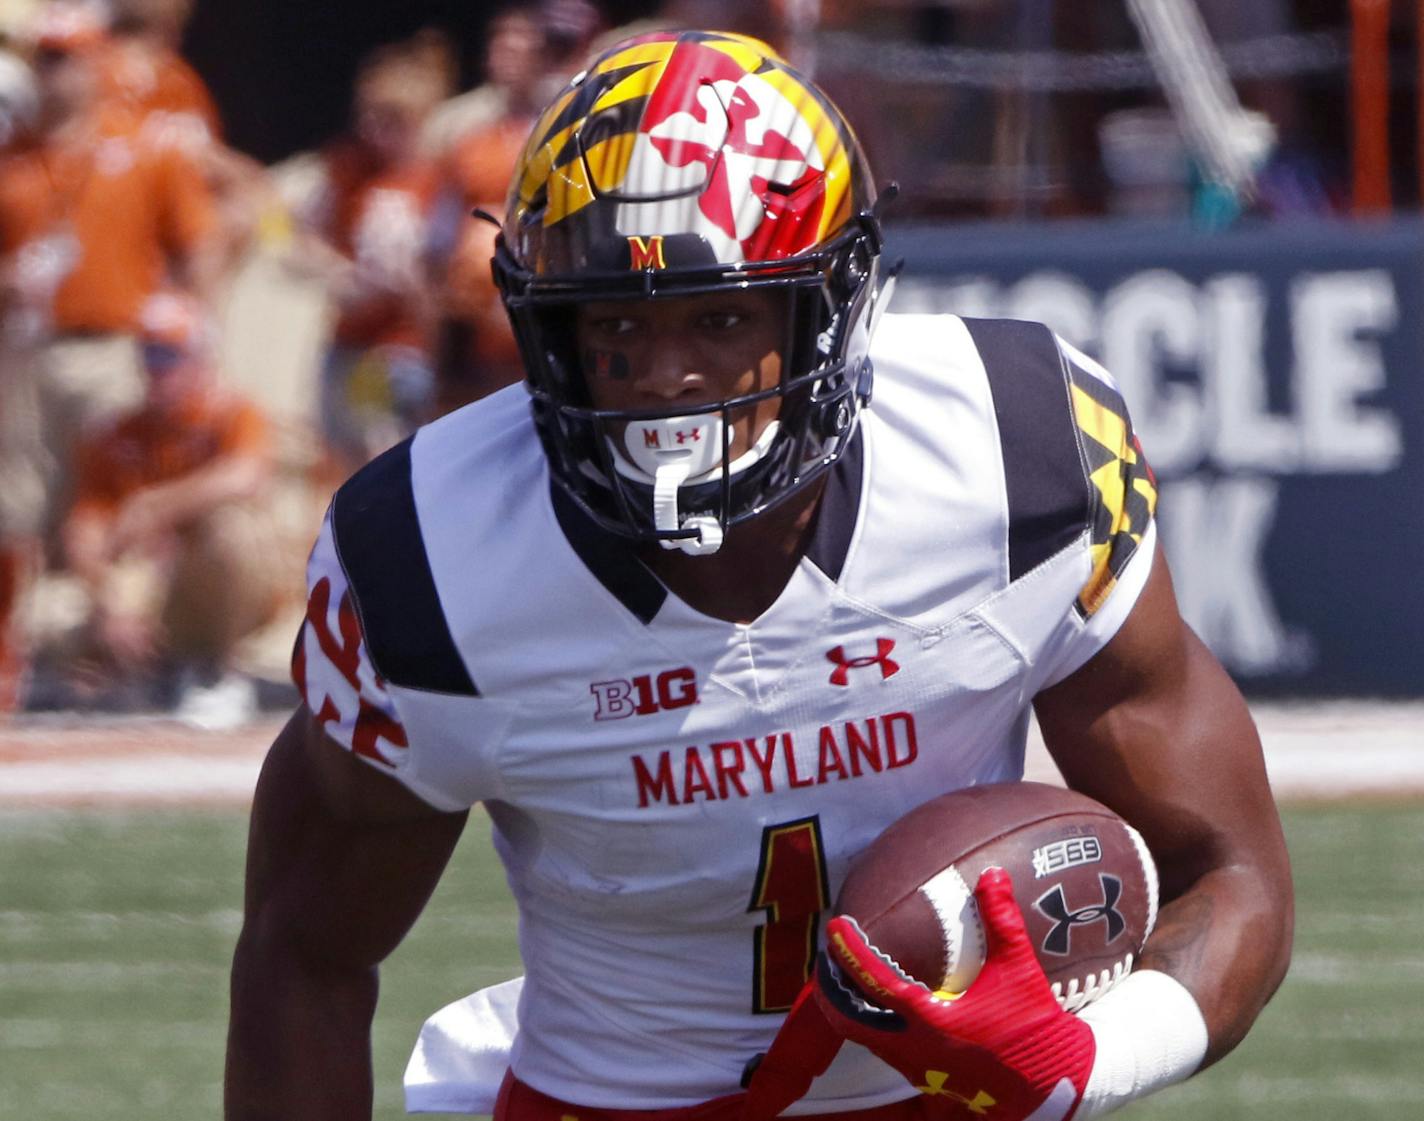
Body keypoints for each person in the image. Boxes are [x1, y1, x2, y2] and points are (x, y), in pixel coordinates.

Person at [226, 30, 1292, 1121]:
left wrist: (1084, 1060)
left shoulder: (1017, 447)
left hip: (942, 1096)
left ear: (831, 307)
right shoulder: (428, 554)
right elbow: (301, 954)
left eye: (721, 317)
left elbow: (1228, 870)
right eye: (613, 327)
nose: (666, 376)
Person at [60, 292, 284, 726]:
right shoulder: (118, 433)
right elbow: (85, 530)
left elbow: (245, 477)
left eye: (169, 354)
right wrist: (108, 600)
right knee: (50, 614)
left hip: (215, 592)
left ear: (201, 358)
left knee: (233, 530)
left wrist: (160, 504)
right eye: (148, 353)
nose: (156, 368)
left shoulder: (232, 414)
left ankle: (220, 670)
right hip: (148, 594)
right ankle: (148, 668)